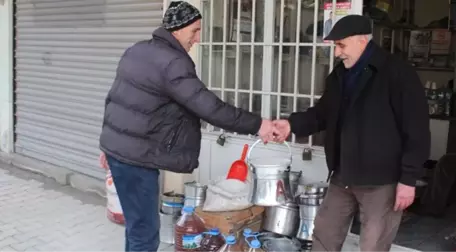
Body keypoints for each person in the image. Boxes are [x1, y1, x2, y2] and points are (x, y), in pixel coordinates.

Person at [98, 1, 276, 251]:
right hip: (136, 159)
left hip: (122, 153)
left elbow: (115, 102)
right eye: (194, 30)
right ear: (177, 29)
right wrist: (259, 125)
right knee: (145, 233)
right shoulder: (172, 63)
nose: (198, 38)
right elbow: (210, 108)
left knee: (137, 227)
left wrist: (107, 147)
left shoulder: (136, 51)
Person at [274, 15, 430, 252]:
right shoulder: (340, 75)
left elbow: (417, 129)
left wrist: (408, 180)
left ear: (361, 41)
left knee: (372, 245)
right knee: (324, 234)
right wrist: (290, 125)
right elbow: (322, 114)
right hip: (343, 176)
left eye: (341, 45)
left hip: (381, 181)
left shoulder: (397, 73)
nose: (337, 53)